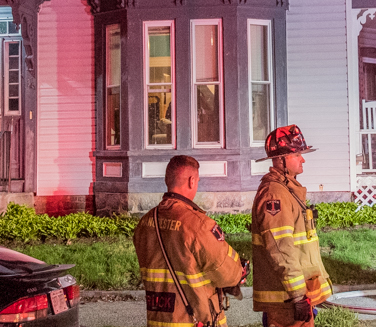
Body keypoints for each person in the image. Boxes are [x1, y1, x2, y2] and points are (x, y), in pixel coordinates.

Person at [134, 155, 248, 327]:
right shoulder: (198, 225)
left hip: (158, 321)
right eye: (197, 181)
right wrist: (241, 270)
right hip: (195, 320)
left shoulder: (145, 223)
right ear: (191, 181)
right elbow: (227, 273)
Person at [251, 125, 332, 327]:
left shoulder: (287, 190)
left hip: (295, 296)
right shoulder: (275, 194)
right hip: (286, 301)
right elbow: (280, 248)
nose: (302, 159)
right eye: (297, 155)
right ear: (281, 159)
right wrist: (297, 295)